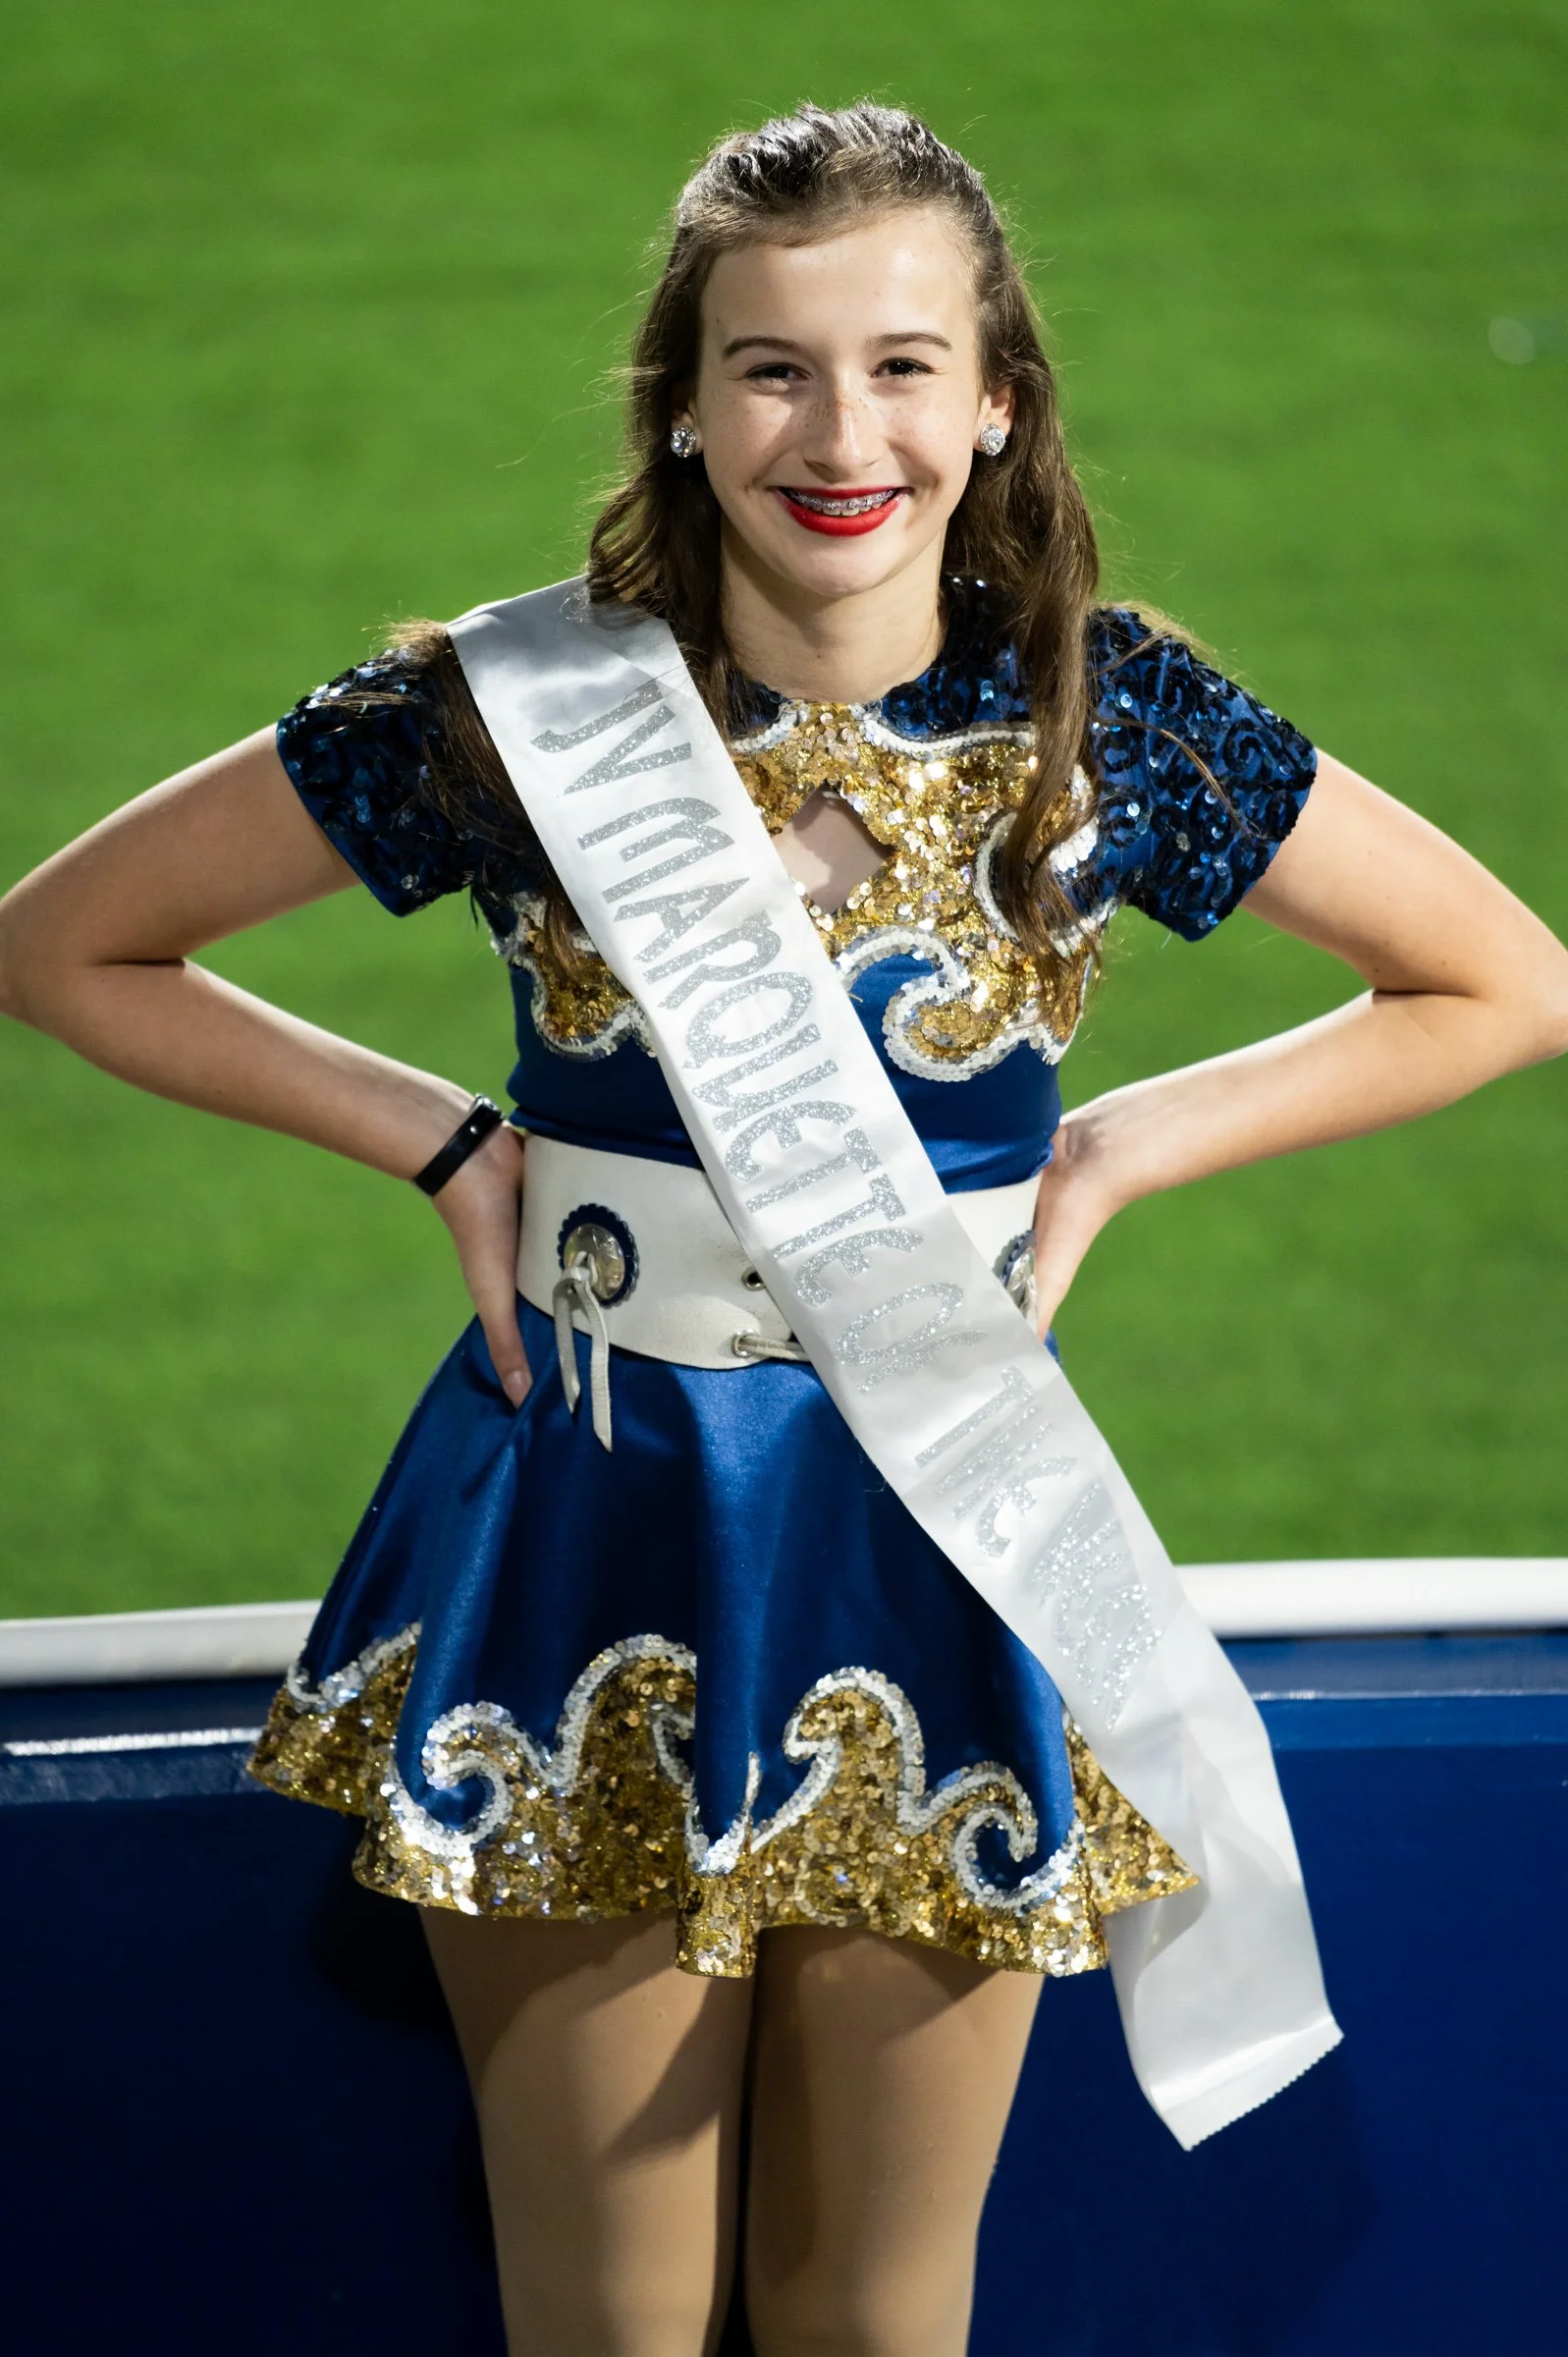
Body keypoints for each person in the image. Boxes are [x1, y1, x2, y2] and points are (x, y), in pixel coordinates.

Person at [2, 97, 1564, 2357]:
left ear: (998, 398)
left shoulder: (1111, 707)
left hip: (951, 1534)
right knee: (610, 2325)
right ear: (682, 397)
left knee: (876, 2319)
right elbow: (64, 945)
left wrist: (1120, 1150)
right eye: (774, 370)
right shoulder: (518, 708)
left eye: (905, 366)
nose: (843, 436)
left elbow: (1501, 982)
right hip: (586, 1525)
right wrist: (442, 1141)